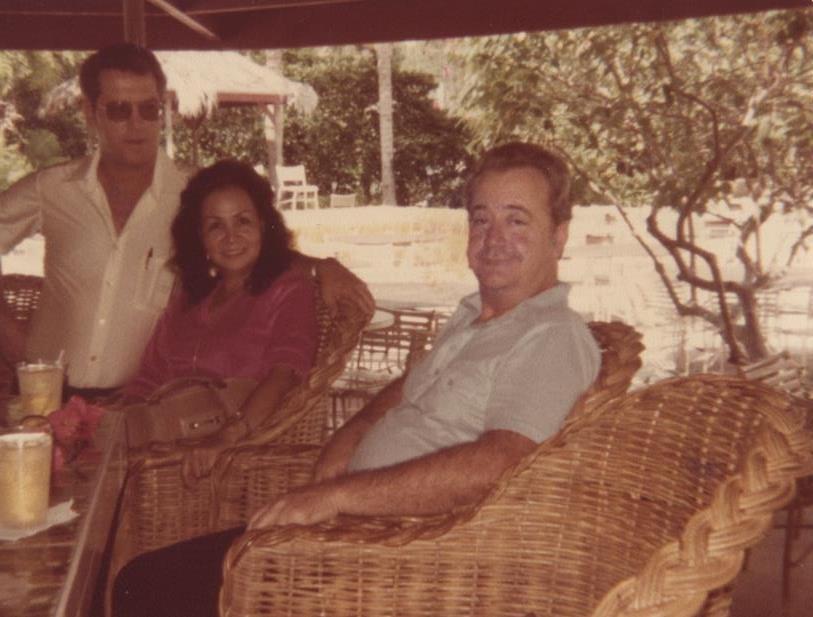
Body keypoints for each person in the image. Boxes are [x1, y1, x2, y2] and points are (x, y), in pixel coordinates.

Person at [113, 141, 602, 616]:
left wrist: (335, 497)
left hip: (400, 562)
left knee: (151, 588)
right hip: (350, 532)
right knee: (145, 576)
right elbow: (410, 386)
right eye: (481, 219)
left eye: (517, 220)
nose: (493, 238)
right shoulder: (477, 318)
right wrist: (354, 431)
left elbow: (504, 462)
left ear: (558, 236)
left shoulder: (550, 335)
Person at [0, 43, 372, 397]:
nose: (136, 124)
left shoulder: (194, 194)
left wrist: (320, 267)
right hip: (44, 396)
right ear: (89, 112)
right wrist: (14, 340)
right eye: (119, 110)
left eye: (149, 109)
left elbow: (248, 246)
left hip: (140, 409)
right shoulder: (52, 189)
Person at [122, 159, 319, 476]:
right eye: (216, 226)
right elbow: (148, 379)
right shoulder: (188, 299)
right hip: (163, 454)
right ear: (199, 237)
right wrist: (114, 425)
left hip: (238, 458)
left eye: (243, 221)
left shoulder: (289, 289)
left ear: (263, 225)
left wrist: (229, 436)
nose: (231, 237)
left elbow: (285, 374)